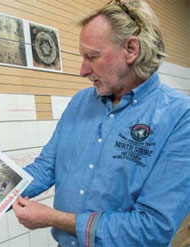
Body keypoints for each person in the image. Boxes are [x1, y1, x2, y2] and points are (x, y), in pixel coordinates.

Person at [12, 0, 190, 246]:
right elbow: (46, 168)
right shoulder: (79, 103)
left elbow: (153, 228)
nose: (82, 71)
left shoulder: (180, 116)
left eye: (92, 57)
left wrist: (54, 218)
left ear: (131, 49)